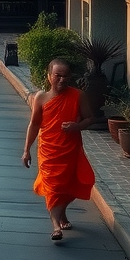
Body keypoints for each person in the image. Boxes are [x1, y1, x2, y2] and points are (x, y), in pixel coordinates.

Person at [22, 58, 96, 242]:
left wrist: (77, 126)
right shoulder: (41, 97)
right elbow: (34, 124)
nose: (62, 79)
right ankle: (56, 225)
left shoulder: (78, 96)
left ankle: (61, 214)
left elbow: (90, 118)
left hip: (70, 149)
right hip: (48, 150)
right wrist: (26, 150)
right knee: (53, 187)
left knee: (71, 185)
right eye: (58, 76)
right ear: (49, 76)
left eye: (66, 76)